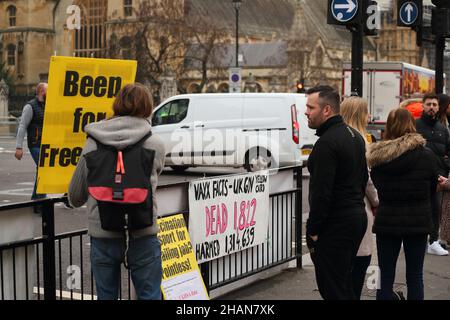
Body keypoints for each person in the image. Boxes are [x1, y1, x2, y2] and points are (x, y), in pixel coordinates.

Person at [68, 83, 166, 300]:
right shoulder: (155, 143)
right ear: (148, 107)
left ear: (117, 104)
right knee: (149, 295)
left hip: (103, 232)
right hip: (143, 231)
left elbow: (75, 196)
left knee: (107, 296)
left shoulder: (93, 141)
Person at [367, 108, 438, 300]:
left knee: (385, 275)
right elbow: (432, 188)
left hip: (387, 221)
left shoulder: (378, 158)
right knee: (415, 275)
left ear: (389, 127)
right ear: (411, 126)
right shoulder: (427, 155)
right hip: (418, 221)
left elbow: (377, 185)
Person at [305, 86, 368, 300]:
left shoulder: (327, 143)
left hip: (336, 224)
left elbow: (322, 193)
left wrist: (313, 231)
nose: (306, 112)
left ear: (327, 110)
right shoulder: (355, 136)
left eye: (310, 107)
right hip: (355, 219)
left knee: (333, 288)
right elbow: (362, 180)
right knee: (343, 284)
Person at [341, 97, 379, 299]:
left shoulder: (336, 139)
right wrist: (377, 201)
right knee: (358, 266)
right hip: (359, 209)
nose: (369, 116)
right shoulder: (360, 141)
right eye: (366, 112)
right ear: (358, 115)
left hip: (340, 214)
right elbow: (368, 180)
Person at [415, 93, 450, 256]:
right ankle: (415, 238)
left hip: (438, 177)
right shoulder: (415, 126)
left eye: (434, 104)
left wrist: (445, 170)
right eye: (428, 104)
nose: (431, 107)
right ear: (423, 106)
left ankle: (433, 241)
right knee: (417, 208)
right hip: (418, 175)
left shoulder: (443, 129)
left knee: (436, 209)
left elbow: (448, 153)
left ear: (438, 107)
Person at [15, 83, 48, 202]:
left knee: (42, 169)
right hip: (35, 144)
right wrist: (19, 147)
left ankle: (36, 198)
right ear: (40, 91)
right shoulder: (30, 106)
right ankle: (40, 199)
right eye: (47, 91)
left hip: (45, 144)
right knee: (43, 168)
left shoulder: (46, 105)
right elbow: (22, 126)